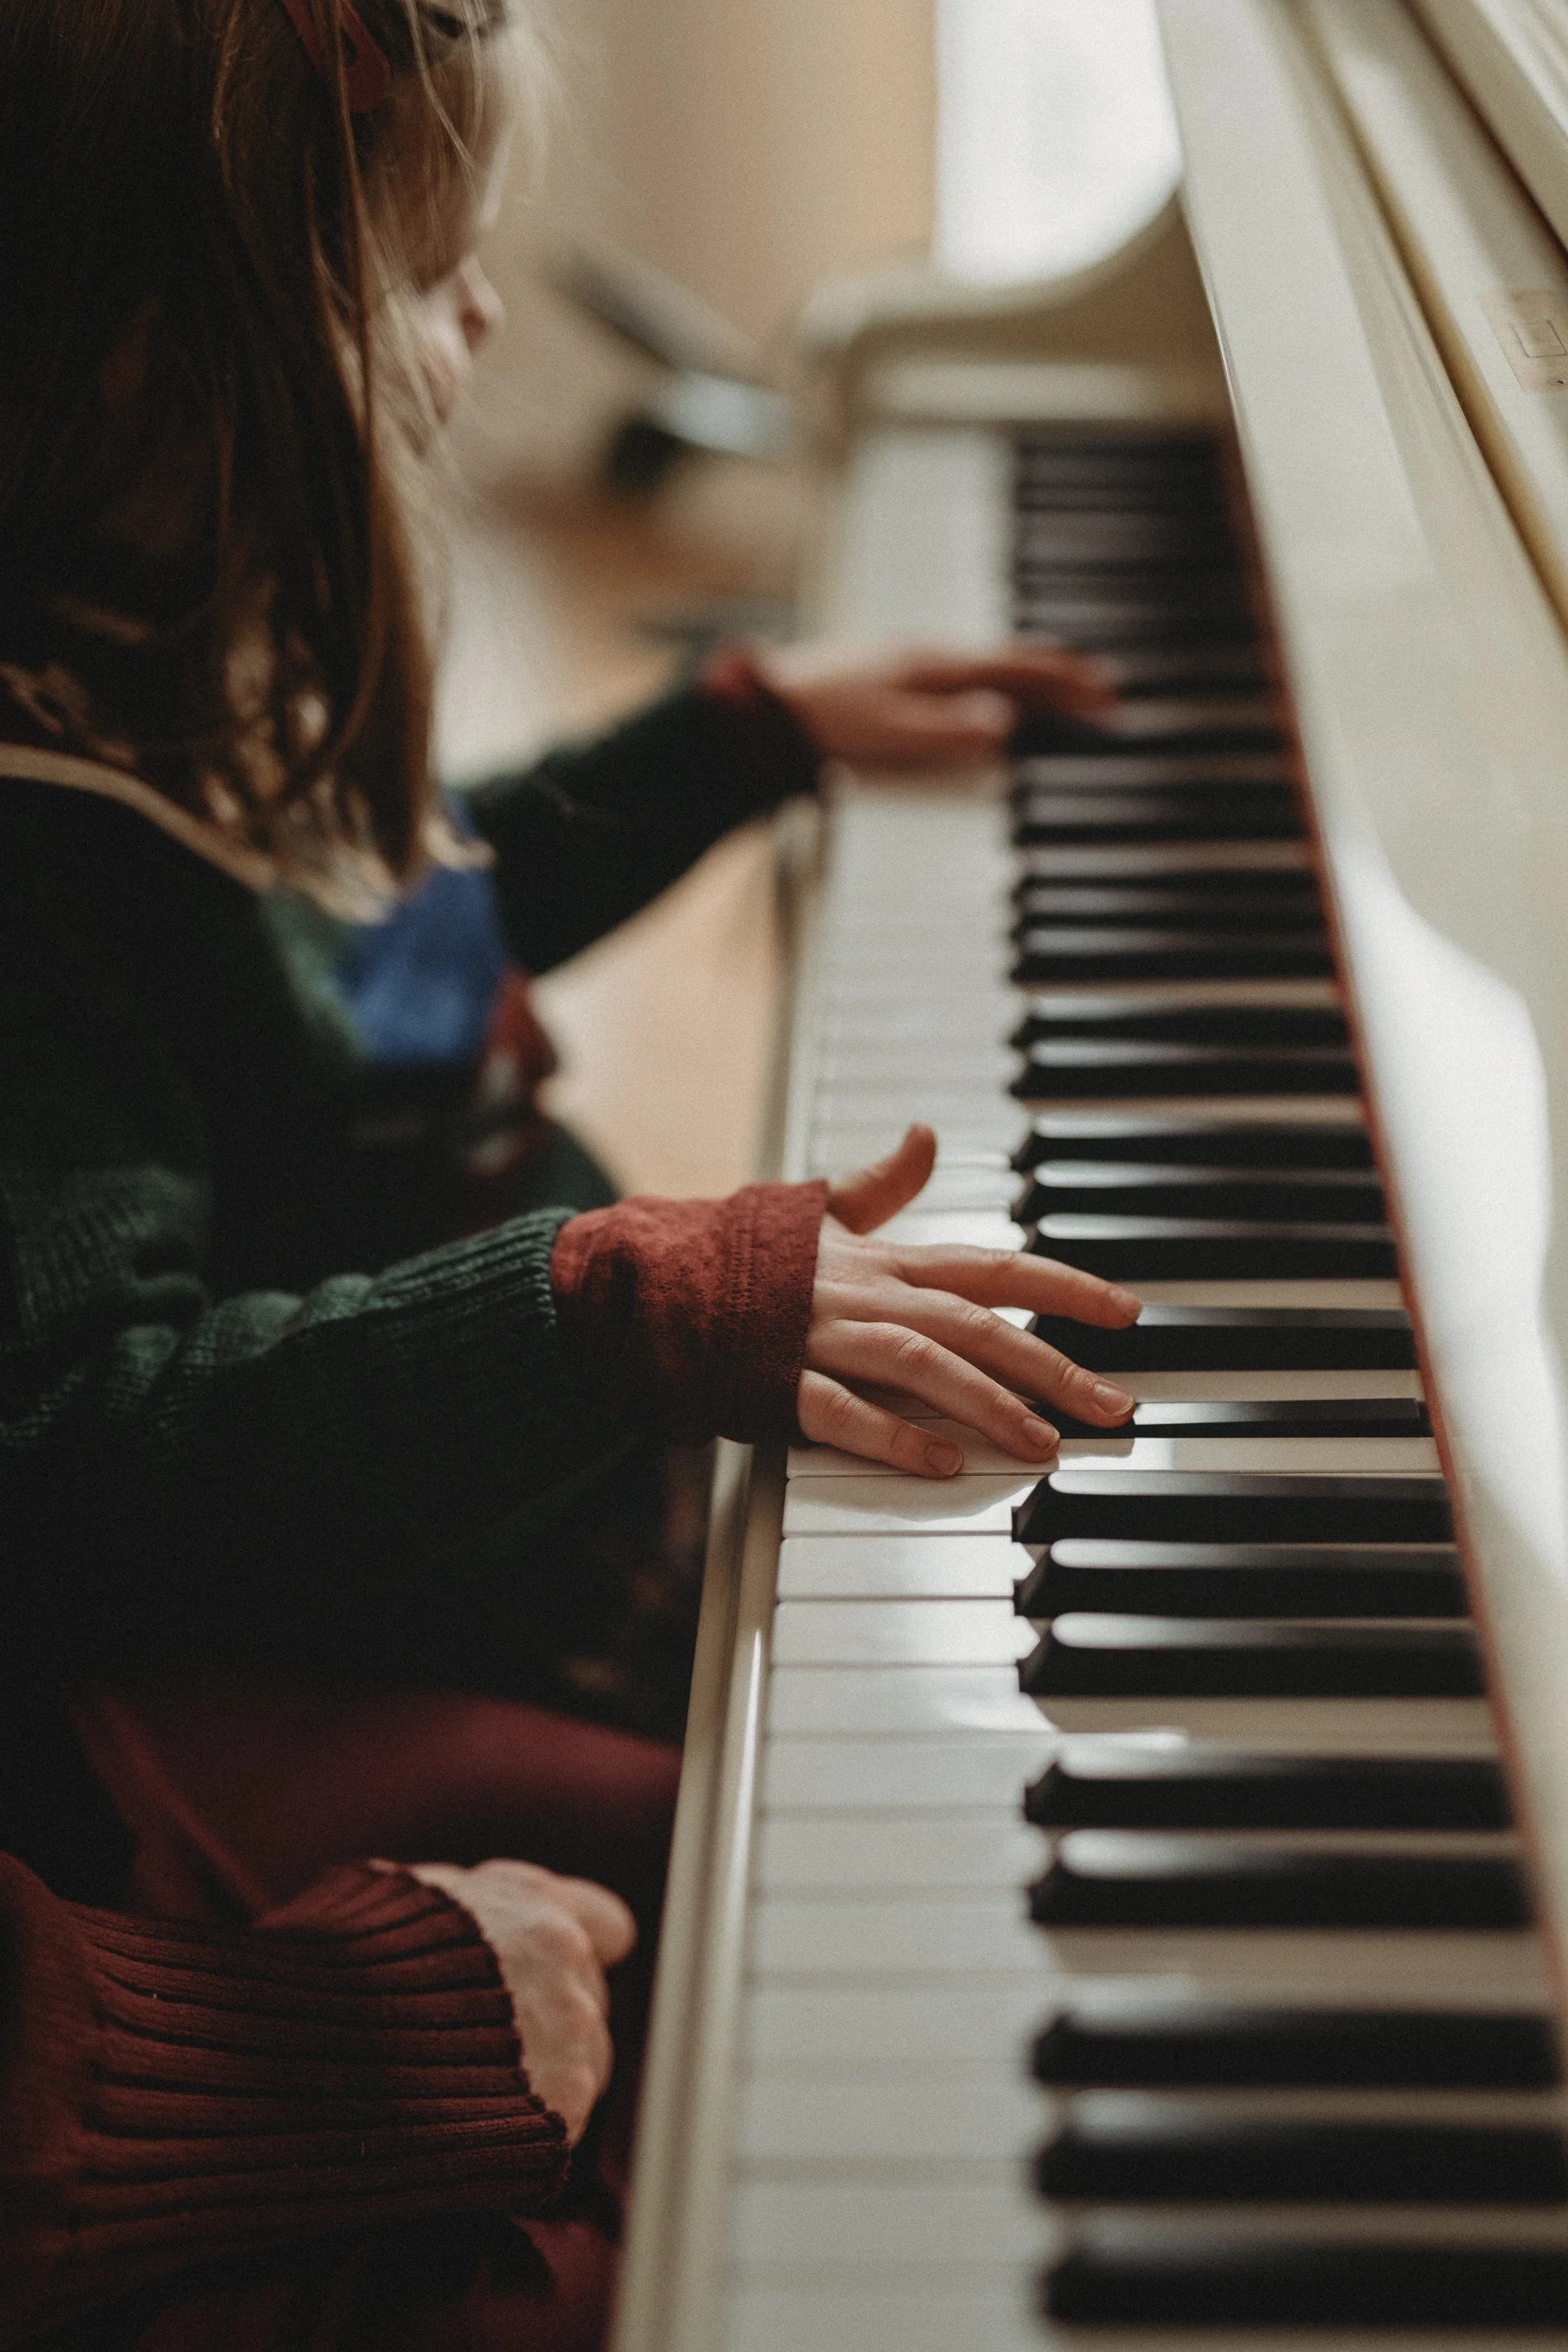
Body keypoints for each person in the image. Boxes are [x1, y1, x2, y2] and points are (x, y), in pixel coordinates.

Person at [0, 2, 1142, 2344]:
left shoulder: (153, 668)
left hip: (491, 1483)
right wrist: (603, 1306)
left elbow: (399, 972)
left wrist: (731, 741)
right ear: (136, 371)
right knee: (828, 1882)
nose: (485, 320)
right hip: (334, 1630)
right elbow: (93, 1448)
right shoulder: (42, 892)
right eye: (420, 284)